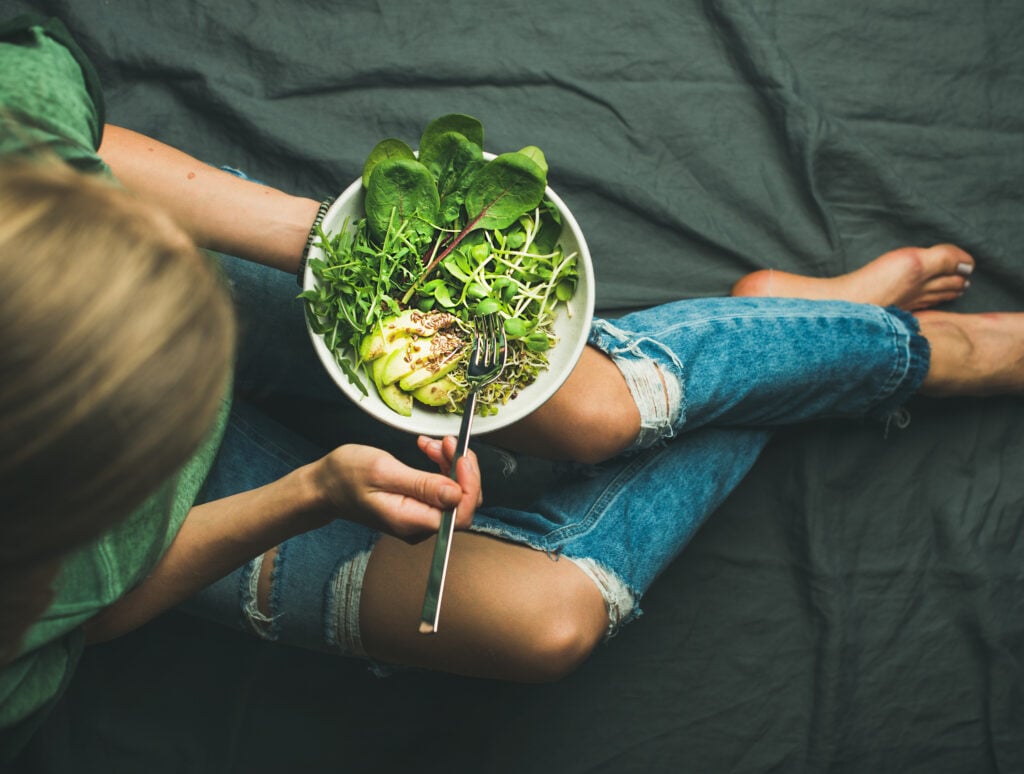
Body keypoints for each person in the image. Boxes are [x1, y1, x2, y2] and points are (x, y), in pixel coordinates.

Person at [3, 13, 1021, 756]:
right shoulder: (35, 585)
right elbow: (95, 611)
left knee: (587, 411)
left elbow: (63, 147)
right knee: (546, 621)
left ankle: (898, 349)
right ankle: (813, 336)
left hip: (142, 271)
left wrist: (336, 248)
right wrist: (304, 495)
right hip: (149, 492)